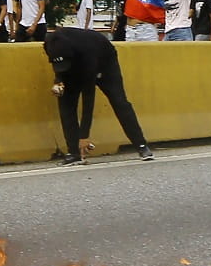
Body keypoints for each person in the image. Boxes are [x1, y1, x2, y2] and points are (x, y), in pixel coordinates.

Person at [44, 27, 154, 165]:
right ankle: (73, 153)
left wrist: (84, 136)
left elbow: (88, 97)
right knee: (65, 103)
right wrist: (59, 80)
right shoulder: (50, 43)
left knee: (119, 101)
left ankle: (141, 146)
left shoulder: (86, 51)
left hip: (103, 63)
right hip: (75, 65)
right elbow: (57, 62)